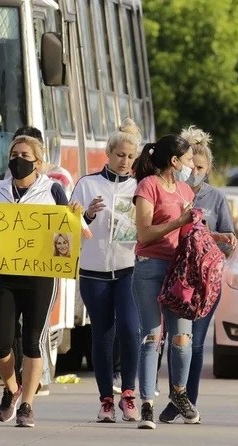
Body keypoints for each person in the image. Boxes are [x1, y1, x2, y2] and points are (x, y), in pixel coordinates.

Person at [131, 134, 231, 429]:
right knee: (152, 336)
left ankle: (179, 393)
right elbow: (144, 234)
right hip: (151, 265)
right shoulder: (148, 186)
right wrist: (178, 221)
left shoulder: (185, 189)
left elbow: (192, 230)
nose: (191, 166)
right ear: (174, 161)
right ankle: (147, 403)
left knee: (182, 338)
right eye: (188, 160)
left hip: (181, 270)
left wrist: (216, 236)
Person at [0, 135, 73, 427]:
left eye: (25, 155)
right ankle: (12, 388)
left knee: (33, 342)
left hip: (40, 276)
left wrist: (82, 217)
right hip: (5, 275)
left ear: (38, 162)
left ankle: (27, 405)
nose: (18, 160)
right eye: (14, 154)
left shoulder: (52, 190)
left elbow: (70, 229)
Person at [158, 125, 237, 424]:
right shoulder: (169, 191)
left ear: (208, 169)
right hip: (175, 280)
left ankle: (188, 400)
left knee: (197, 341)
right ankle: (175, 397)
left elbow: (228, 240)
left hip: (204, 284)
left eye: (200, 168)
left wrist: (211, 243)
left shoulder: (216, 198)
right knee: (177, 339)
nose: (194, 172)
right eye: (191, 165)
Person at [70, 118, 142, 423]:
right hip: (94, 269)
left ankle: (128, 394)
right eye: (120, 155)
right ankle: (105, 401)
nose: (124, 161)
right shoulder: (87, 184)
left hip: (128, 268)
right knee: (102, 334)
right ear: (108, 154)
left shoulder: (139, 186)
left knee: (129, 328)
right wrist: (87, 214)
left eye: (130, 157)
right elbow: (69, 227)